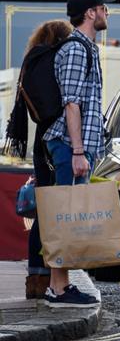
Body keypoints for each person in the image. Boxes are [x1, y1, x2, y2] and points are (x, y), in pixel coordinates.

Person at [40, 0, 113, 308]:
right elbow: (72, 104)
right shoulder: (75, 49)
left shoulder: (88, 48)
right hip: (70, 146)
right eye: (103, 9)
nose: (107, 14)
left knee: (69, 217)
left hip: (77, 146)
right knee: (65, 217)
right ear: (90, 13)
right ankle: (58, 289)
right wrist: (78, 152)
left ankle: (59, 285)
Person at [15, 19, 73, 300]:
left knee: (44, 210)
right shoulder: (57, 60)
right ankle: (54, 279)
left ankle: (35, 279)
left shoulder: (33, 60)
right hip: (58, 138)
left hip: (41, 139)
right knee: (57, 211)